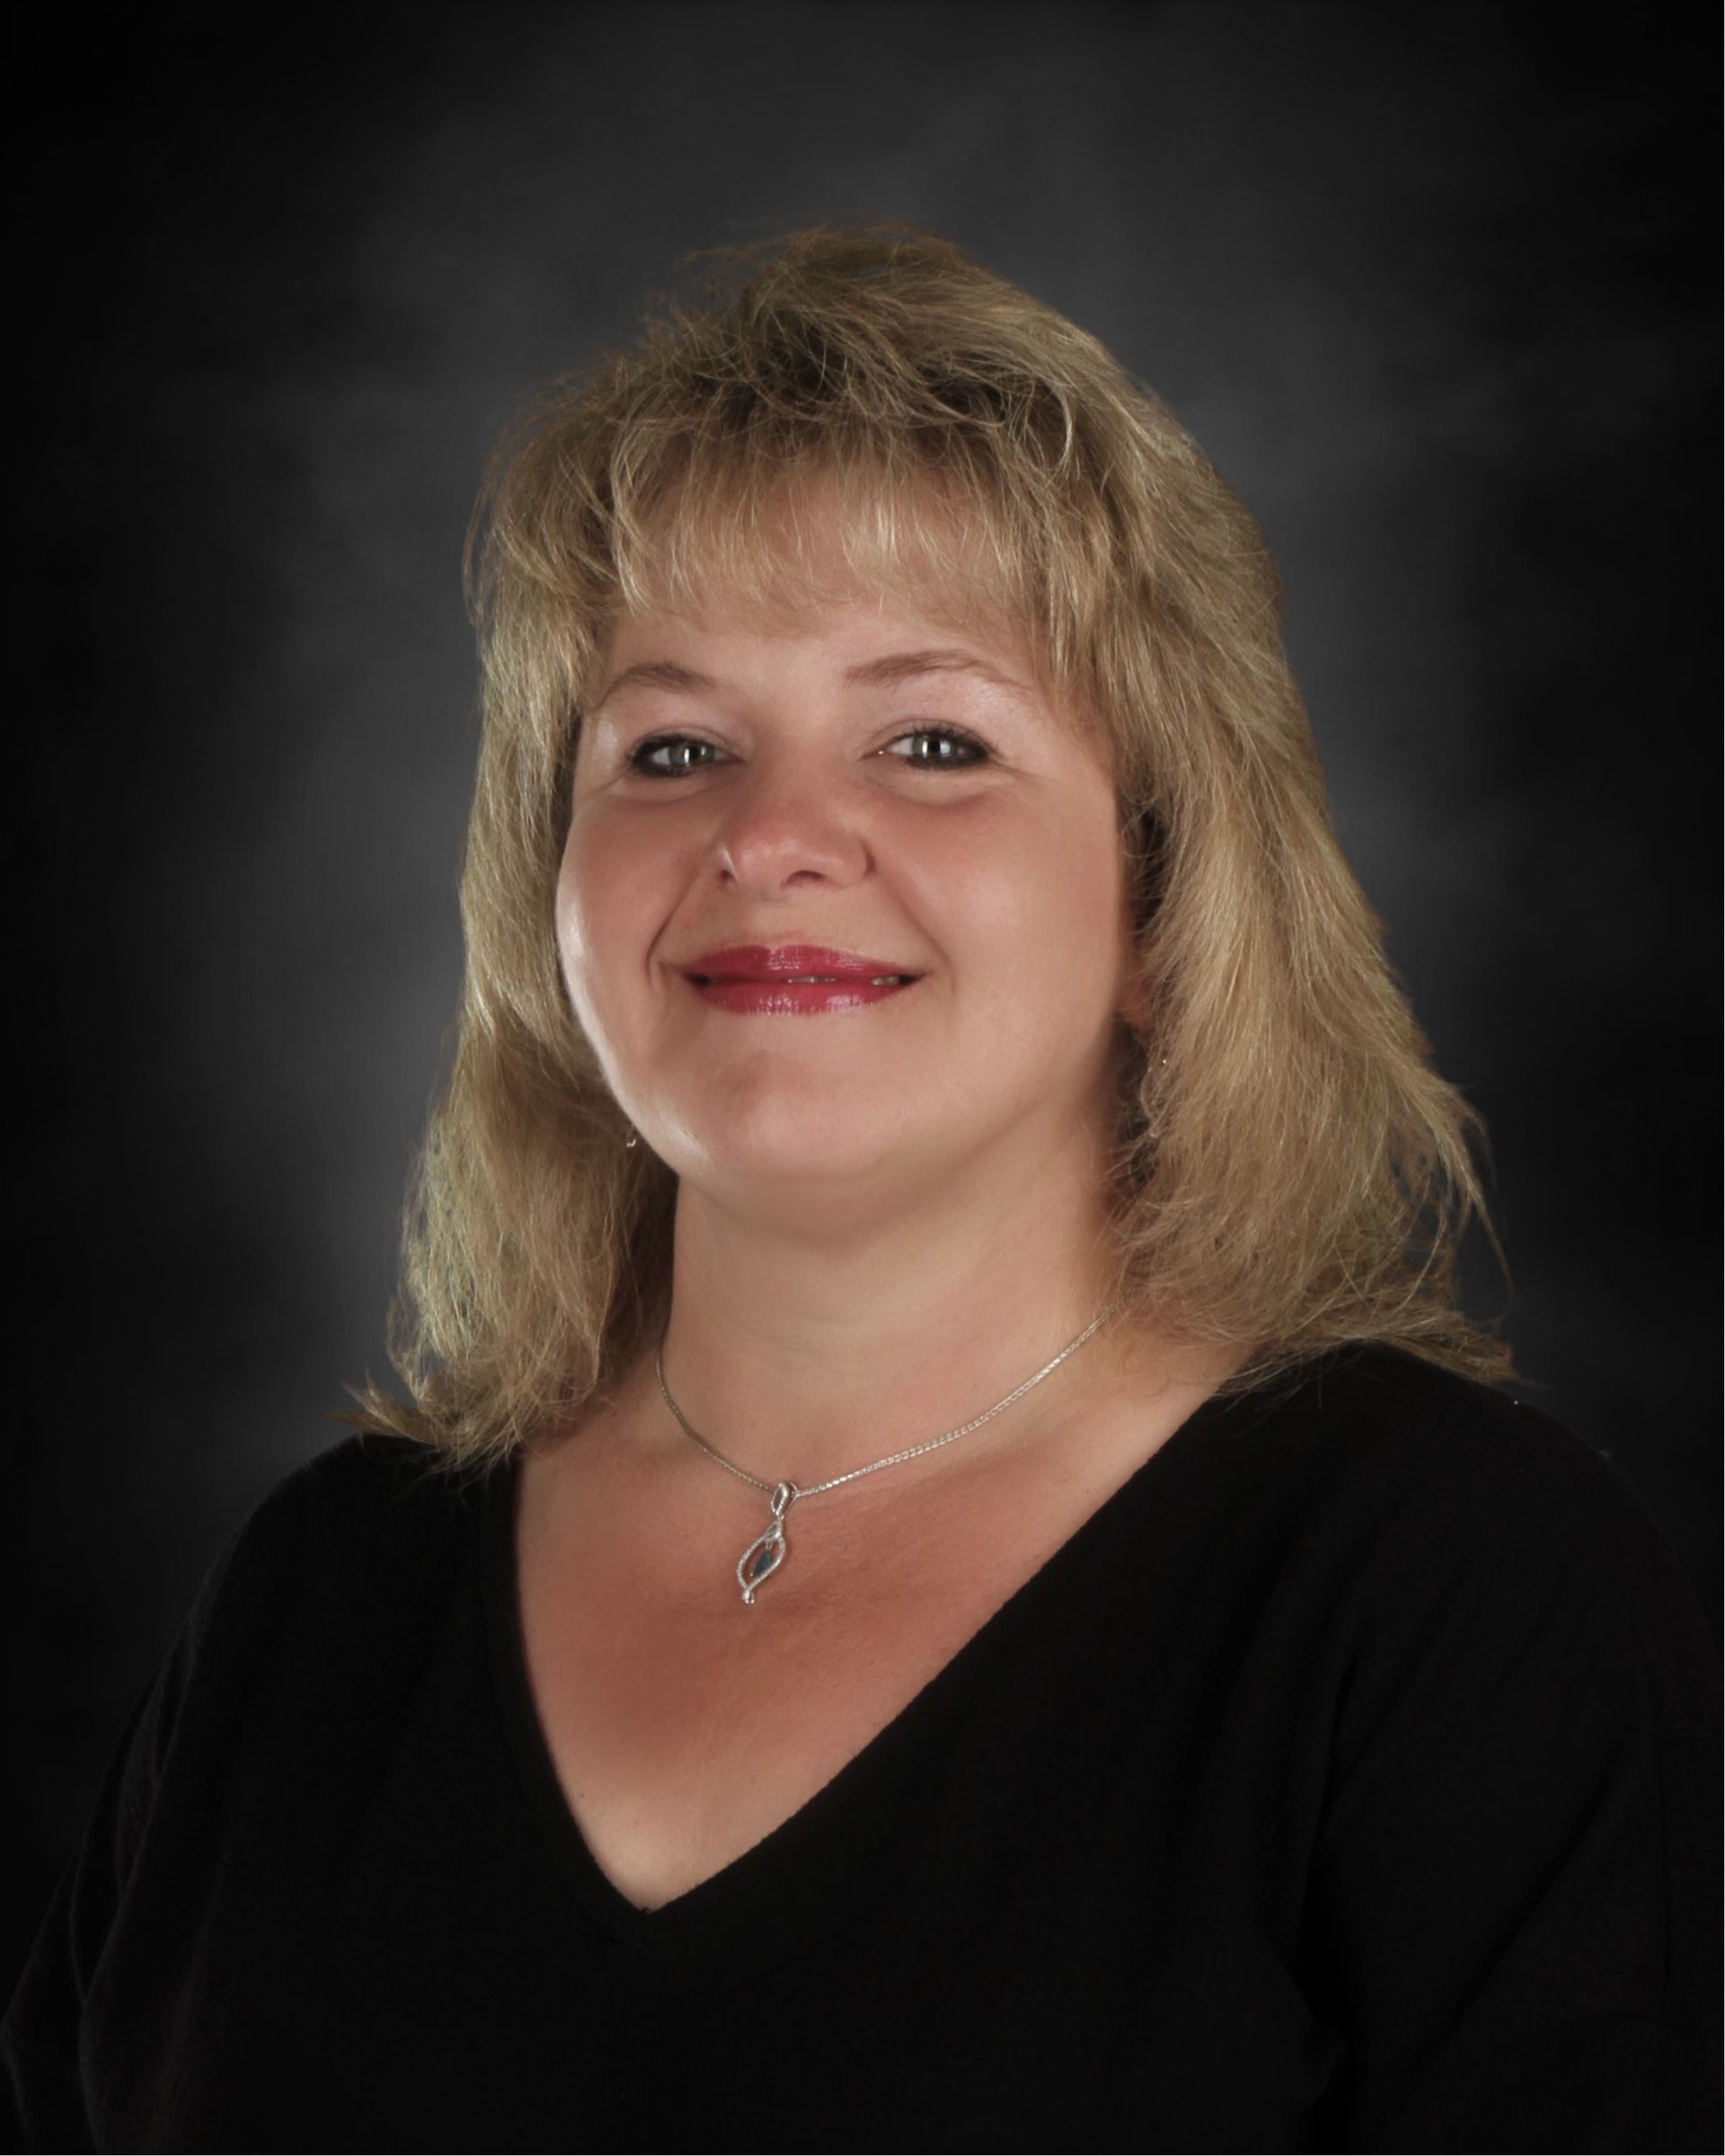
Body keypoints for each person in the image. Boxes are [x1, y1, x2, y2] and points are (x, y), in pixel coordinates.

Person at [4, 226, 1718, 2154]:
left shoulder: (1458, 1600)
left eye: (930, 740)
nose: (769, 838)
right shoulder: (315, 1592)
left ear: (1166, 907)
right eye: (672, 746)